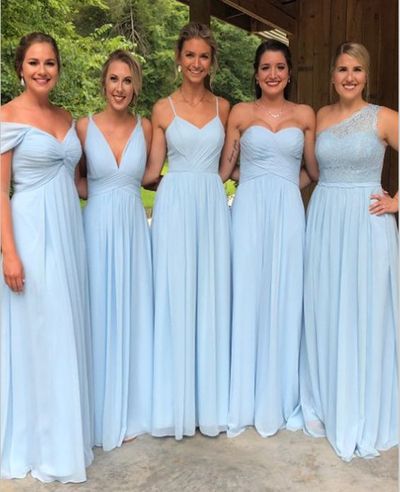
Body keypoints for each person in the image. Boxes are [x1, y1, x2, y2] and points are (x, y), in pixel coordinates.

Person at [0, 32, 93, 482]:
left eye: (50, 63)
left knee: (64, 331)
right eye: (34, 62)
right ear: (21, 67)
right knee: (41, 334)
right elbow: (0, 191)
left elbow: (75, 179)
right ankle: (41, 442)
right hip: (32, 234)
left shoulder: (66, 115)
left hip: (68, 232)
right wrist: (10, 253)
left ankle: (65, 435)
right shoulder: (6, 117)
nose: (42, 70)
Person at [300, 41, 398, 461]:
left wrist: (397, 201)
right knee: (326, 307)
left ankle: (363, 404)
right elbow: (309, 171)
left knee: (365, 310)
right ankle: (325, 397)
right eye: (342, 69)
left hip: (366, 222)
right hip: (324, 220)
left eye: (357, 70)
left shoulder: (384, 118)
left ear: (366, 75)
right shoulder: (320, 117)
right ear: (332, 75)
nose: (349, 77)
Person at [219, 39, 318, 437]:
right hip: (248, 211)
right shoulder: (241, 113)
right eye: (265, 67)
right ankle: (244, 396)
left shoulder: (305, 115)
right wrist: (255, 180)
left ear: (289, 72)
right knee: (248, 291)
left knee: (285, 293)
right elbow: (226, 167)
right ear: (256, 74)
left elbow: (314, 170)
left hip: (289, 212)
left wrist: (283, 187)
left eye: (279, 67)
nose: (272, 74)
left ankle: (281, 394)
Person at [142, 22, 231, 439]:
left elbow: (230, 165)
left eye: (204, 56)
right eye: (189, 55)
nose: (196, 63)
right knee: (175, 293)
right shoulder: (162, 109)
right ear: (179, 59)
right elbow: (150, 171)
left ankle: (207, 404)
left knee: (209, 295)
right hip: (175, 202)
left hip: (212, 204)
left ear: (211, 62)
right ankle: (171, 404)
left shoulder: (224, 109)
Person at [76, 50, 153, 451]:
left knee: (134, 308)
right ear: (103, 82)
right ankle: (97, 407)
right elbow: (74, 181)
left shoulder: (148, 127)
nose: (119, 88)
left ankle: (134, 406)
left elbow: (157, 175)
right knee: (99, 309)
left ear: (135, 86)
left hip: (133, 228)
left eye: (127, 80)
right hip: (97, 225)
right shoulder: (83, 126)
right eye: (113, 79)